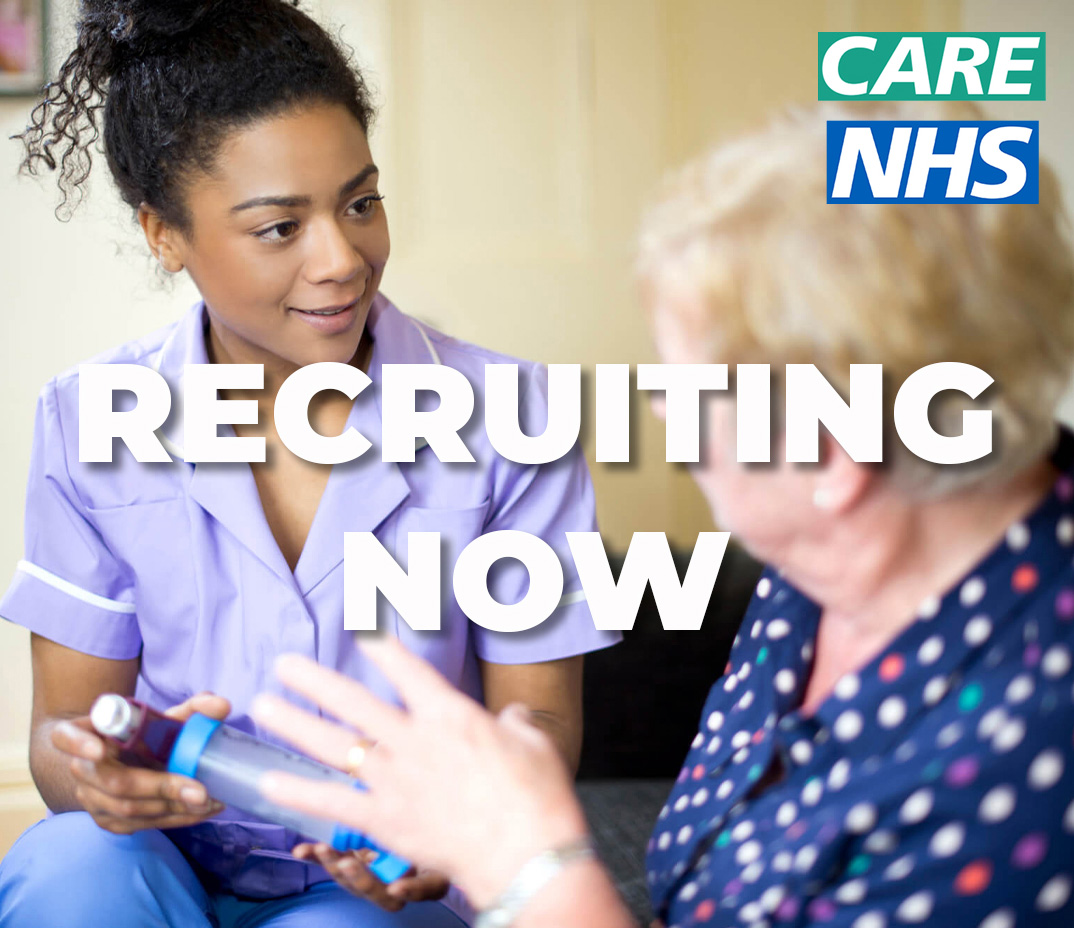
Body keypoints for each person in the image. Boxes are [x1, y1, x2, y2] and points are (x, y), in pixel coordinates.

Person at [248, 102, 1074, 928]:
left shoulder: (1028, 751)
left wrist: (530, 870)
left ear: (830, 457)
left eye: (685, 389)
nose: (669, 424)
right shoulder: (821, 569)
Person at [0, 2, 619, 926]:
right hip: (159, 857)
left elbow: (540, 719)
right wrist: (93, 777)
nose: (343, 260)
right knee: (69, 867)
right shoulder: (91, 419)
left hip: (369, 878)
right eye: (280, 228)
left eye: (360, 203)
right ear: (165, 235)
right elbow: (63, 732)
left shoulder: (514, 422)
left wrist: (463, 822)